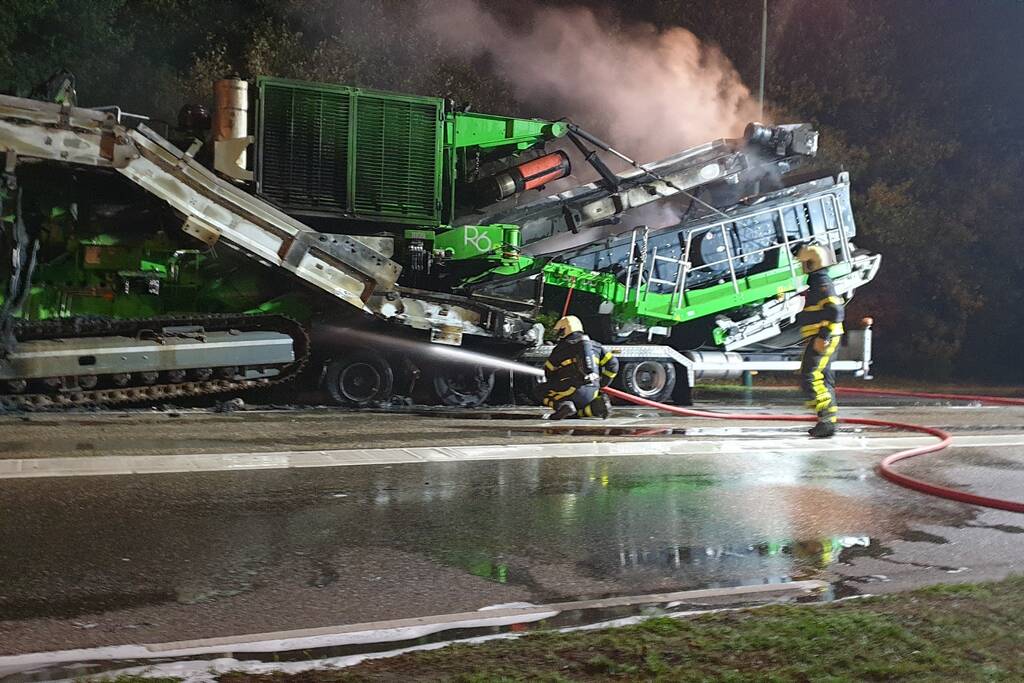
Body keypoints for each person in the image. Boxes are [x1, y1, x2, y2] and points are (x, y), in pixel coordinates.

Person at [794, 245, 845, 438]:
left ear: (811, 263)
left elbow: (836, 311)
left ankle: (826, 421)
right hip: (821, 336)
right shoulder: (818, 282)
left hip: (822, 337)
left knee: (810, 377)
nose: (801, 267)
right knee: (823, 379)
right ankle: (827, 422)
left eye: (803, 263)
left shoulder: (822, 283)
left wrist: (823, 336)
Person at [542, 315, 619, 420]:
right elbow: (613, 364)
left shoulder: (560, 349)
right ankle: (597, 407)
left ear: (564, 330)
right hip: (593, 391)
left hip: (571, 390)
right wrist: (603, 383)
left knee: (540, 390)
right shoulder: (596, 346)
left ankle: (562, 405)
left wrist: (557, 381)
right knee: (576, 410)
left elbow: (549, 371)